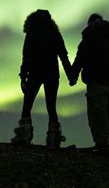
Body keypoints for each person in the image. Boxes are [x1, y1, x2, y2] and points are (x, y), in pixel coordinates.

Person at [11, 9, 72, 148]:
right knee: (51, 107)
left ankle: (24, 137)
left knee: (27, 106)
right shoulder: (55, 35)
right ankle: (53, 139)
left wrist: (23, 77)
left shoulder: (31, 35)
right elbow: (64, 57)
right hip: (52, 74)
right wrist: (71, 75)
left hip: (35, 73)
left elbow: (26, 58)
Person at [70, 13, 109, 155]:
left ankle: (102, 145)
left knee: (97, 116)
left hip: (95, 83)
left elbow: (79, 61)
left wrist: (73, 77)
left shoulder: (88, 41)